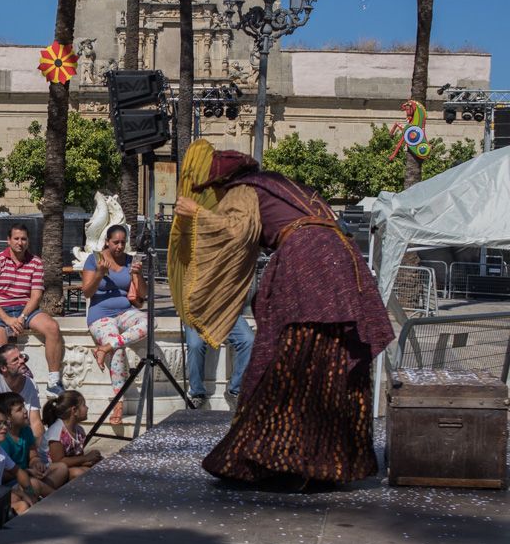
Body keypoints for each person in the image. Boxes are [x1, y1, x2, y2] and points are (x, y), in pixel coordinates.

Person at [171, 142, 394, 485]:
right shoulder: (278, 184)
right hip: (343, 258)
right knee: (329, 359)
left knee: (287, 360)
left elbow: (235, 231)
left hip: (307, 259)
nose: (215, 197)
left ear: (220, 183)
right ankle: (328, 464)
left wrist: (196, 215)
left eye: (212, 191)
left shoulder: (243, 190)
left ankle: (279, 462)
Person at [0, 224, 66, 397]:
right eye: (16, 239)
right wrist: (7, 319)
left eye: (24, 239)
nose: (20, 242)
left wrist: (22, 316)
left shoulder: (35, 262)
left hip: (24, 308)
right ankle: (3, 387)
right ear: (9, 240)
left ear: (28, 241)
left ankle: (54, 380)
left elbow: (36, 296)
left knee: (52, 327)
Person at [81, 224, 147, 424]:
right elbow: (87, 292)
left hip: (125, 311)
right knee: (118, 350)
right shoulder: (94, 259)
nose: (119, 246)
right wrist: (100, 273)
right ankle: (118, 402)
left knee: (149, 323)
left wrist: (137, 274)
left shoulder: (131, 261)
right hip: (101, 314)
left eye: (122, 242)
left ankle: (106, 347)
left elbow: (142, 295)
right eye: (115, 242)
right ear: (106, 242)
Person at [0, 391, 66, 495]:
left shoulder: (26, 430)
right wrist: (27, 472)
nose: (25, 411)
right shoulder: (3, 439)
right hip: (11, 484)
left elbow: (33, 456)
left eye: (23, 407)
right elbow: (2, 475)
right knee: (34, 483)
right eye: (19, 409)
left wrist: (37, 464)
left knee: (61, 467)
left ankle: (40, 492)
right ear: (7, 417)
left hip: (29, 475)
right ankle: (54, 496)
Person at [184, 315, 254, 410]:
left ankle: (234, 392)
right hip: (195, 312)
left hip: (226, 311)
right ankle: (197, 395)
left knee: (248, 340)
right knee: (195, 345)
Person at [0, 344, 45, 442]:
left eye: (21, 357)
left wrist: (39, 448)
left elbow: (35, 422)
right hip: (1, 441)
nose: (22, 361)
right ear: (3, 368)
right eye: (15, 360)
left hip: (24, 436)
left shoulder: (31, 383)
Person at [42, 390, 102, 479]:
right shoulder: (57, 432)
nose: (87, 408)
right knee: (80, 474)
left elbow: (77, 457)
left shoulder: (79, 431)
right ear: (74, 410)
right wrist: (86, 458)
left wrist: (88, 460)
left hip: (67, 467)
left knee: (100, 465)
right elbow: (58, 461)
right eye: (84, 405)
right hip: (51, 472)